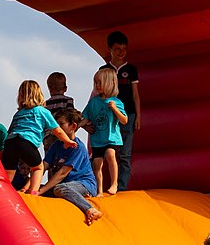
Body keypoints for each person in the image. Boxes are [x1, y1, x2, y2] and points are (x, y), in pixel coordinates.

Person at [2, 80, 77, 194]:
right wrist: (67, 141)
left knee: (8, 172)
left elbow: (11, 131)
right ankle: (34, 192)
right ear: (39, 95)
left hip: (10, 142)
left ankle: (3, 191)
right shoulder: (42, 111)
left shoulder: (19, 113)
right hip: (26, 142)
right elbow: (57, 130)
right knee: (38, 167)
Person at [37, 108, 103, 225]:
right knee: (49, 189)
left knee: (59, 189)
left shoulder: (77, 147)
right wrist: (32, 187)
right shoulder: (56, 145)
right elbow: (43, 165)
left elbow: (63, 173)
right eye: (56, 124)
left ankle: (90, 208)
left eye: (61, 124)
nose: (57, 128)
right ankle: (76, 196)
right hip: (66, 185)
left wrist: (41, 190)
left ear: (73, 126)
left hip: (84, 183)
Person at [98, 30, 140, 191]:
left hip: (127, 114)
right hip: (108, 117)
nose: (121, 52)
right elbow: (98, 92)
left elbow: (135, 95)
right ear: (110, 49)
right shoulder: (104, 69)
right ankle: (103, 185)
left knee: (125, 155)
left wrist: (138, 116)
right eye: (117, 49)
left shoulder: (130, 69)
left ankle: (121, 187)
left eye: (124, 49)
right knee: (107, 152)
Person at [82, 68, 128, 196]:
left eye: (99, 83)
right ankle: (99, 190)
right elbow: (86, 117)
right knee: (97, 164)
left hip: (111, 137)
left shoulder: (116, 102)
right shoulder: (94, 102)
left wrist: (114, 109)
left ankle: (114, 184)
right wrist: (81, 126)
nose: (96, 86)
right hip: (97, 139)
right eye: (95, 83)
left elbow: (124, 120)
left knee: (110, 154)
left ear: (110, 83)